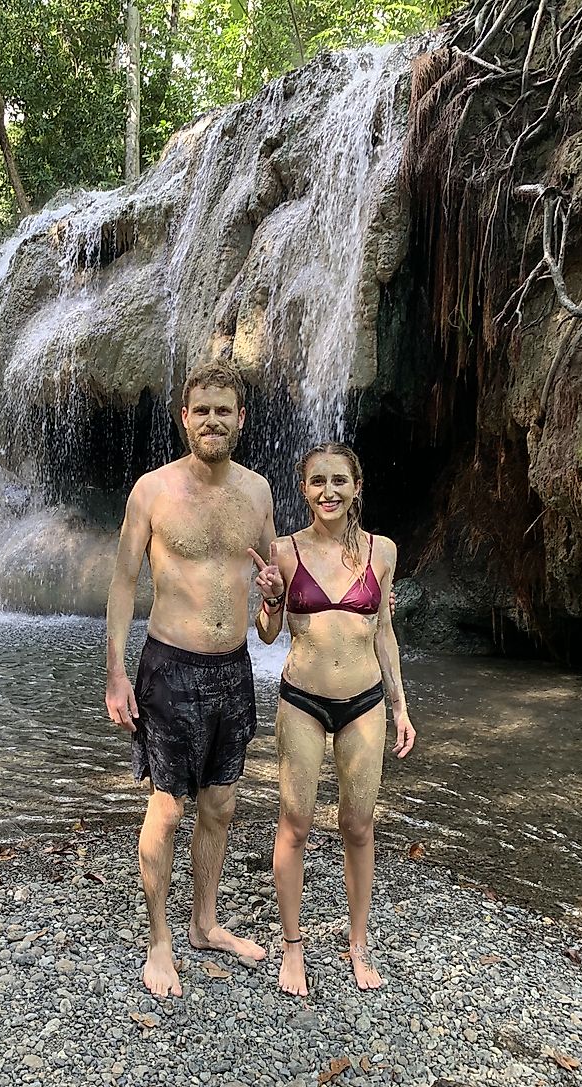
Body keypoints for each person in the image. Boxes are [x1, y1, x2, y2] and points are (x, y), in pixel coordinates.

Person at [105, 359, 276, 999]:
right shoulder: (152, 489)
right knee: (169, 808)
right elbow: (124, 581)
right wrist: (116, 672)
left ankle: (204, 923)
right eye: (201, 409)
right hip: (168, 666)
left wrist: (273, 601)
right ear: (185, 418)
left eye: (223, 409)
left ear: (239, 418)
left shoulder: (258, 494)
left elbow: (268, 608)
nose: (212, 420)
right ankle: (159, 940)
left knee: (222, 804)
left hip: (233, 668)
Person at [248, 442, 415, 995]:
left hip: (364, 703)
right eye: (318, 481)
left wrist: (400, 706)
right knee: (295, 823)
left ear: (356, 487)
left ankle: (358, 944)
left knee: (358, 826)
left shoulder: (383, 551)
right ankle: (293, 947)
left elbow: (385, 633)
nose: (329, 491)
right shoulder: (285, 551)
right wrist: (271, 600)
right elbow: (269, 634)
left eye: (339, 480)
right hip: (301, 700)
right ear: (304, 489)